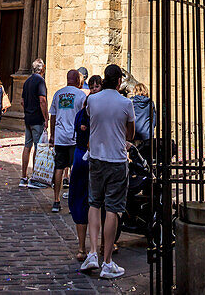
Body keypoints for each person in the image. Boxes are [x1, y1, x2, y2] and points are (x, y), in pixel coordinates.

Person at [79, 63, 135, 280]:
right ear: (119, 80)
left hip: (96, 159)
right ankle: (108, 261)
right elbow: (130, 134)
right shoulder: (125, 103)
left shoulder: (92, 99)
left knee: (94, 203)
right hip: (116, 160)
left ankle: (92, 252)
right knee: (112, 209)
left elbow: (91, 119)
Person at [68, 74, 102, 261]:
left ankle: (82, 248)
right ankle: (102, 246)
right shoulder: (100, 115)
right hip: (97, 159)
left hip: (80, 158)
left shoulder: (81, 114)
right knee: (99, 203)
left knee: (81, 201)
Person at [48, 70, 87, 213]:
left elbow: (53, 115)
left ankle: (56, 200)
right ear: (77, 80)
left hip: (60, 137)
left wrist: (52, 135)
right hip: (74, 137)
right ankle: (73, 199)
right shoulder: (81, 95)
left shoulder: (58, 94)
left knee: (59, 168)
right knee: (73, 168)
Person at [19, 58, 47, 188]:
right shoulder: (40, 81)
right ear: (42, 69)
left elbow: (22, 101)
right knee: (37, 147)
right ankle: (35, 177)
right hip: (36, 119)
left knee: (27, 146)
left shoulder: (27, 81)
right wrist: (46, 118)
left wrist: (27, 111)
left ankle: (23, 176)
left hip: (28, 118)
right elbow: (42, 100)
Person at [131, 81, 156, 147]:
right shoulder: (150, 103)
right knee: (147, 155)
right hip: (147, 134)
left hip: (135, 133)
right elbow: (154, 119)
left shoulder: (131, 102)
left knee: (135, 155)